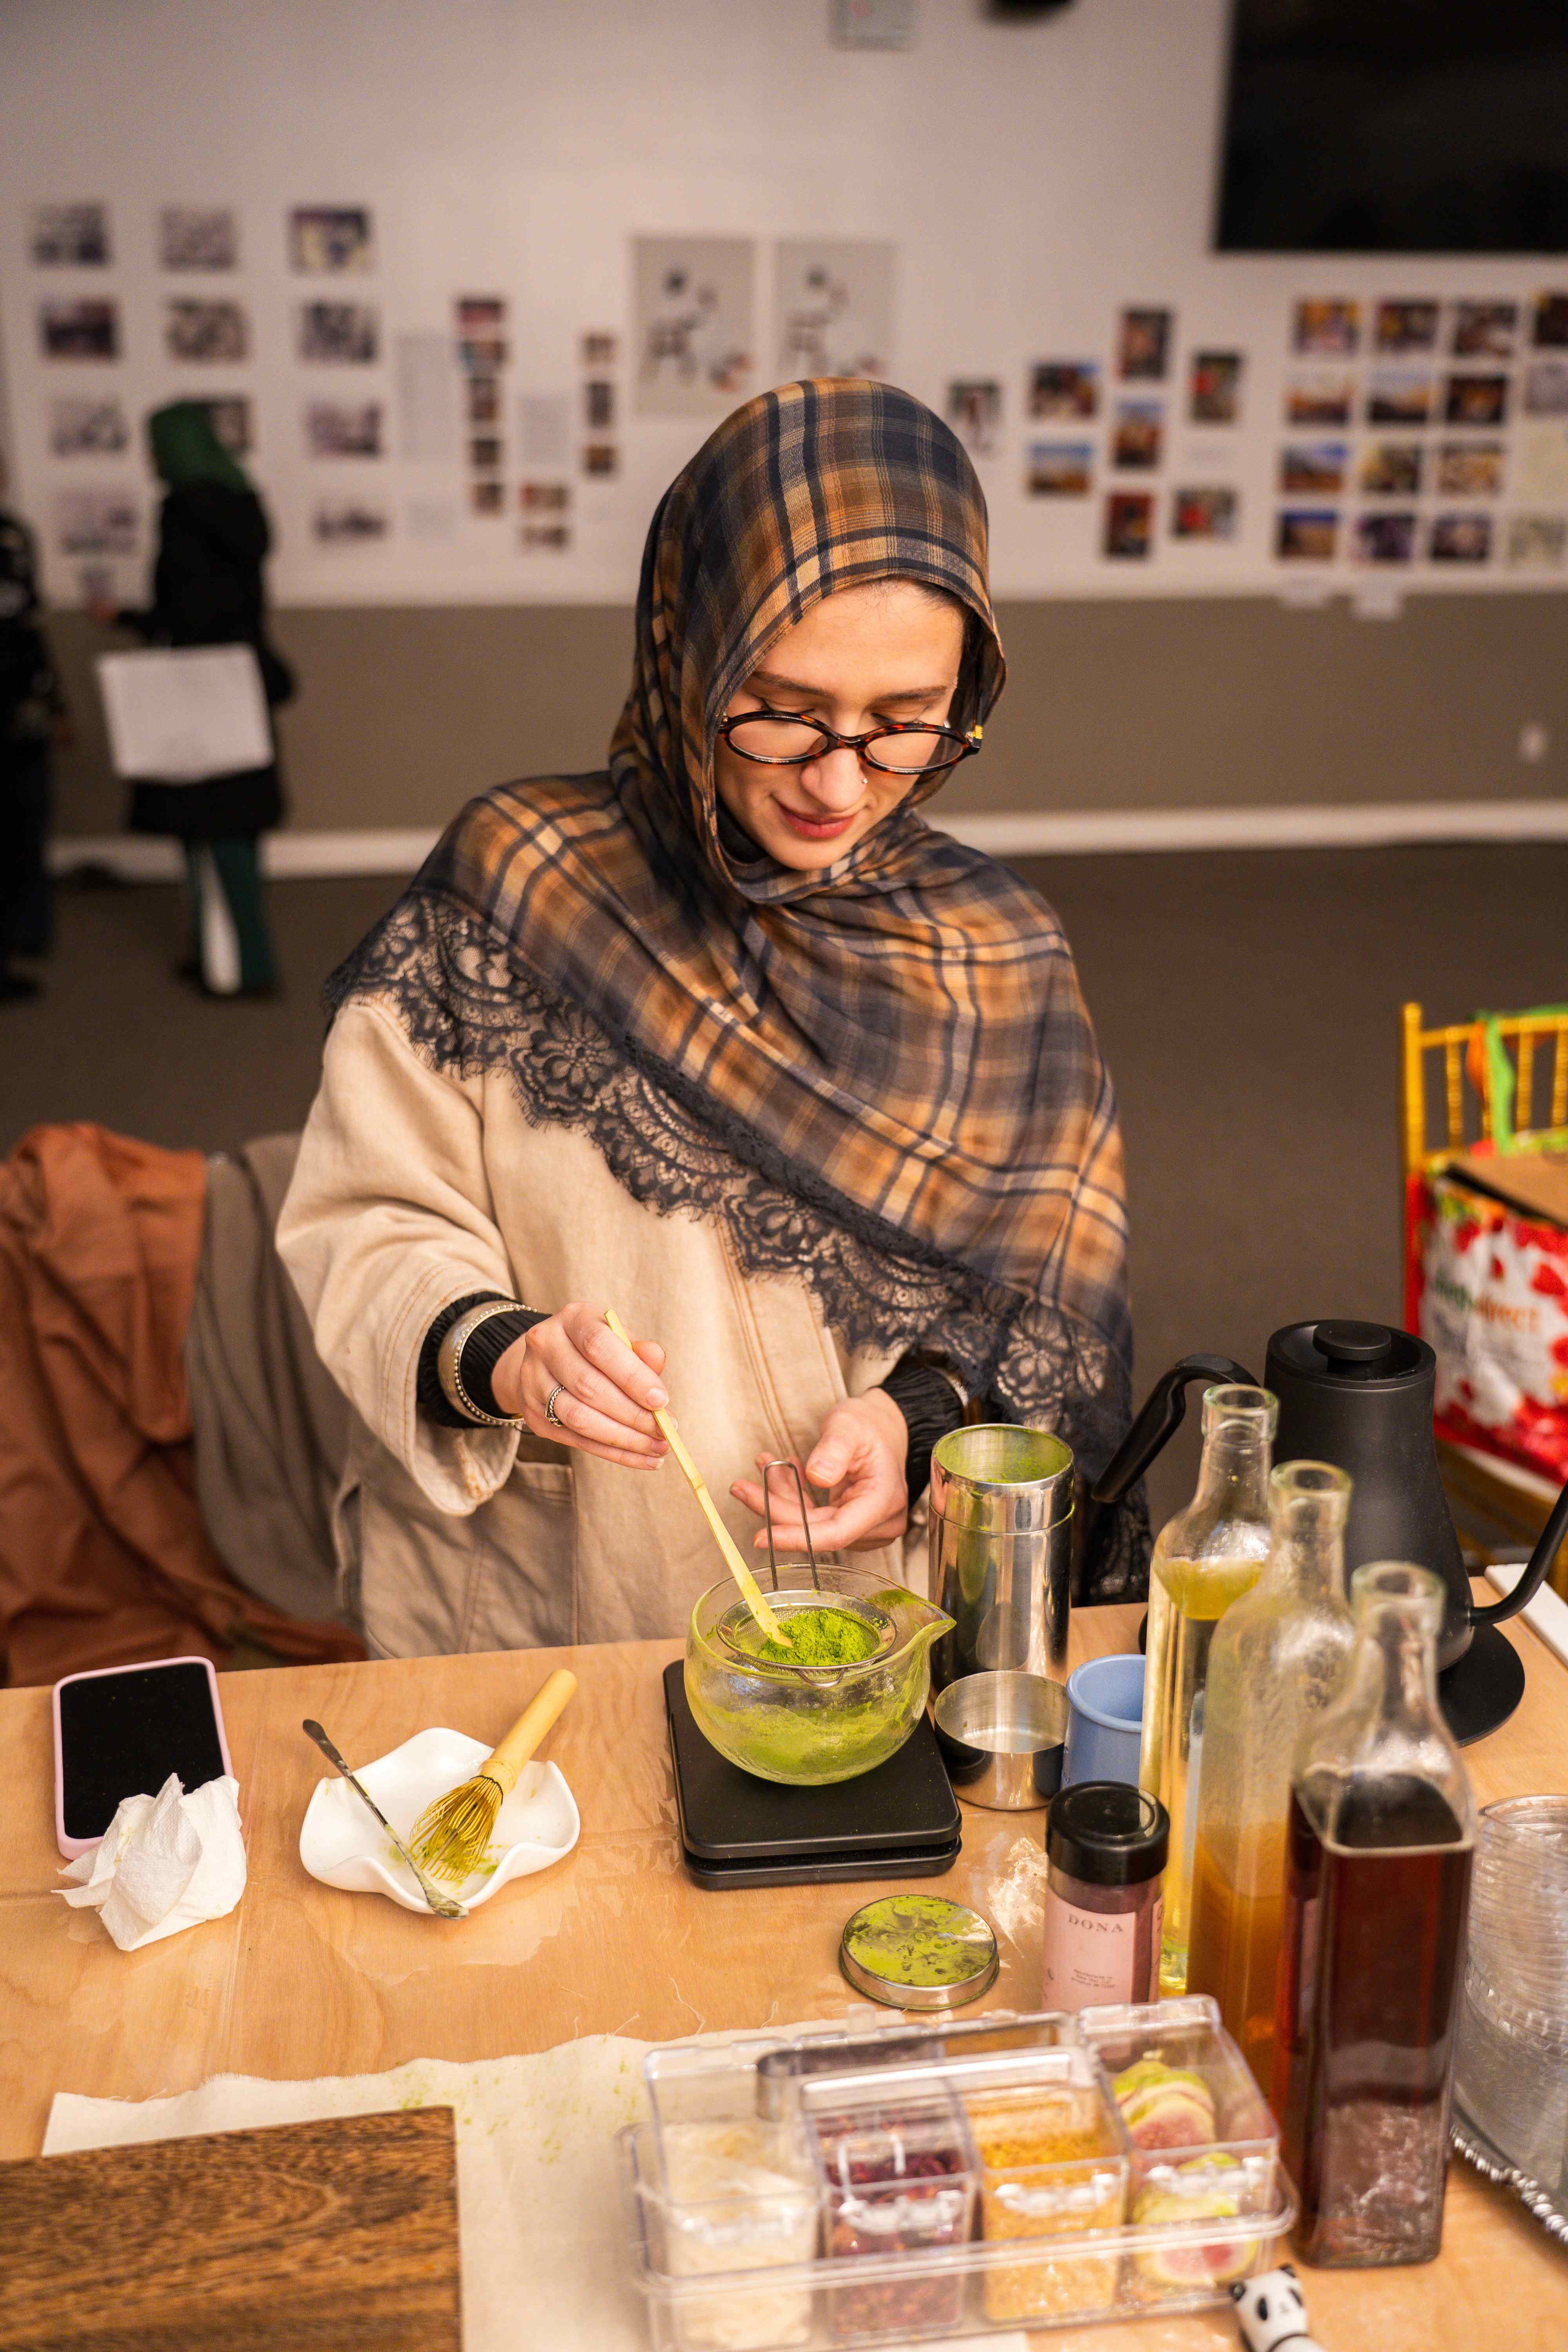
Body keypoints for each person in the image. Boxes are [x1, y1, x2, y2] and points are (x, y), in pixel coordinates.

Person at [278, 379, 1145, 1659]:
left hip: (861, 1607)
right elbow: (369, 1219)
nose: (840, 781)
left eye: (907, 723)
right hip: (556, 1595)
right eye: (784, 710)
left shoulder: (998, 945)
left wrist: (915, 1421)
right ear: (691, 655)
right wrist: (503, 1357)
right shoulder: (518, 883)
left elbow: (1044, 1299)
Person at [93, 401, 293, 996]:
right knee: (240, 826)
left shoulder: (184, 512)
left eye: (155, 446)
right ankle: (235, 954)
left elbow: (189, 609)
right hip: (243, 681)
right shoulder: (243, 504)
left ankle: (232, 966)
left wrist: (133, 617)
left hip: (200, 690)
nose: (149, 458)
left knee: (207, 829)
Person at [0, 453, 68, 1003]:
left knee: (27, 825)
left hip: (19, 713)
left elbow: (31, 630)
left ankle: (27, 933)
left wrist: (56, 702)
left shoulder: (14, 540)